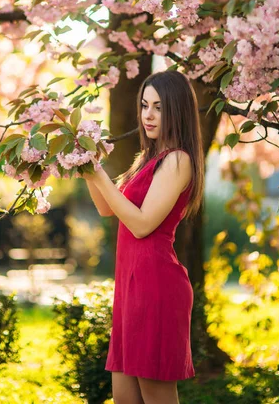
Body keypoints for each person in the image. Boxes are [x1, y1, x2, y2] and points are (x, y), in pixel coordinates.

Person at [83, 69, 205, 404]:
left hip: (156, 286)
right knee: (124, 398)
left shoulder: (178, 161)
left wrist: (98, 174)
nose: (147, 115)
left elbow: (141, 224)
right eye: (144, 105)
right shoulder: (146, 159)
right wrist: (86, 166)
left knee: (156, 396)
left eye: (159, 107)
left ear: (176, 110)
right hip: (130, 287)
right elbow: (108, 209)